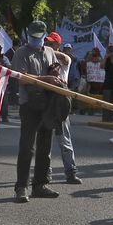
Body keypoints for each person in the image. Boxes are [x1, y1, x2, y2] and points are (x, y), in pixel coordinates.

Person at [11, 20, 66, 203]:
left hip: (48, 105)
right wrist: (46, 78)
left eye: (39, 37)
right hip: (29, 106)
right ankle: (21, 187)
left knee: (45, 148)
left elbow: (55, 69)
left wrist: (55, 73)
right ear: (28, 34)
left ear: (44, 36)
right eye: (33, 36)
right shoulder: (21, 53)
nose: (36, 40)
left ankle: (40, 184)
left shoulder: (50, 52)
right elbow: (21, 77)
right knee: (27, 148)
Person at [44, 32, 82, 185]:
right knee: (44, 141)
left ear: (57, 45)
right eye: (47, 43)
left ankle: (71, 172)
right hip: (47, 100)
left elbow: (67, 59)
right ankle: (45, 173)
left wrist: (49, 51)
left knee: (64, 140)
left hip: (60, 101)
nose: (47, 45)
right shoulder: (43, 57)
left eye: (51, 43)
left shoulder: (63, 58)